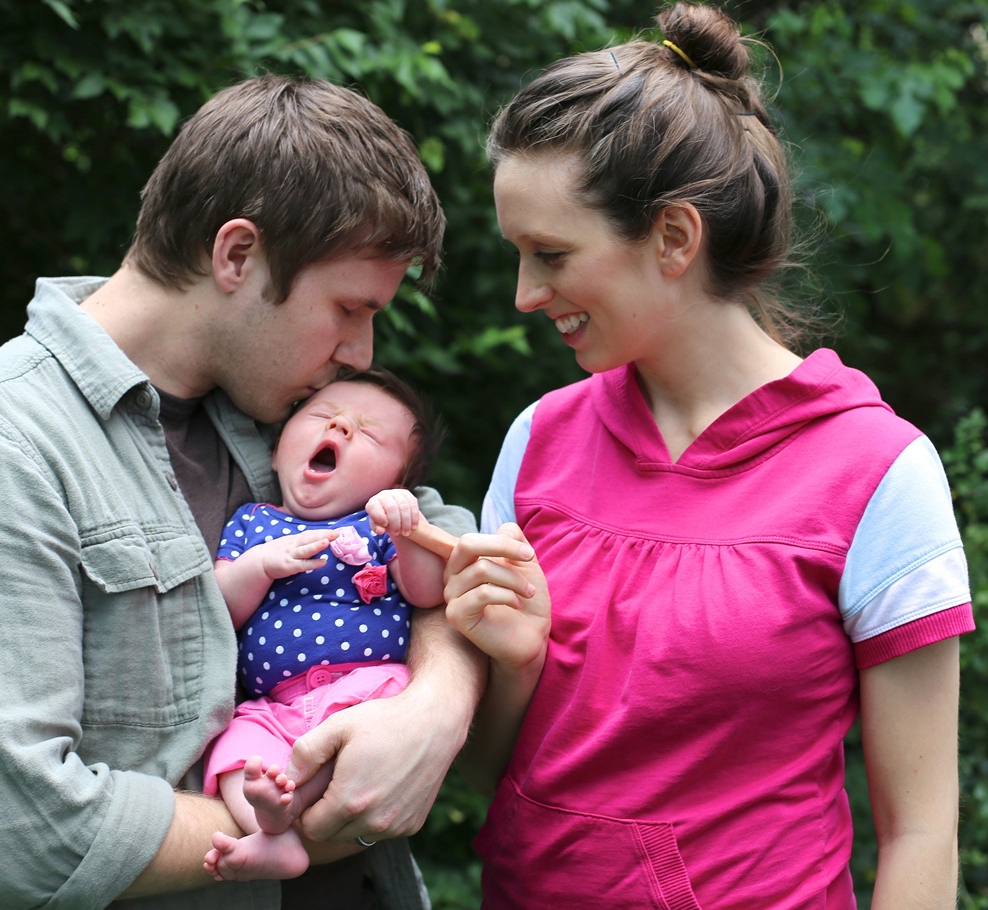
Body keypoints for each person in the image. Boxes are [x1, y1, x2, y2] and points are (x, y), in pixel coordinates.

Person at [0, 75, 481, 910]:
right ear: (237, 256)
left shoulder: (277, 405)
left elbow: (439, 538)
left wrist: (435, 708)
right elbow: (20, 840)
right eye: (348, 308)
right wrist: (314, 821)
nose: (362, 354)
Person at [441, 4, 973, 908]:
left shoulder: (877, 472)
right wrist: (514, 665)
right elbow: (487, 775)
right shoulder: (538, 441)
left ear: (675, 238)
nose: (526, 294)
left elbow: (920, 833)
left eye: (551, 255)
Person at [199, 368, 448, 883]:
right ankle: (273, 834)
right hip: (277, 706)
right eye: (322, 416)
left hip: (368, 689)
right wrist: (259, 566)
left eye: (369, 433)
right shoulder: (252, 521)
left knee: (371, 736)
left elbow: (427, 593)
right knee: (231, 753)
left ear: (397, 483)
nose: (341, 427)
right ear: (276, 452)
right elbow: (221, 609)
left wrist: (409, 528)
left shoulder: (378, 526)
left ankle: (288, 809)